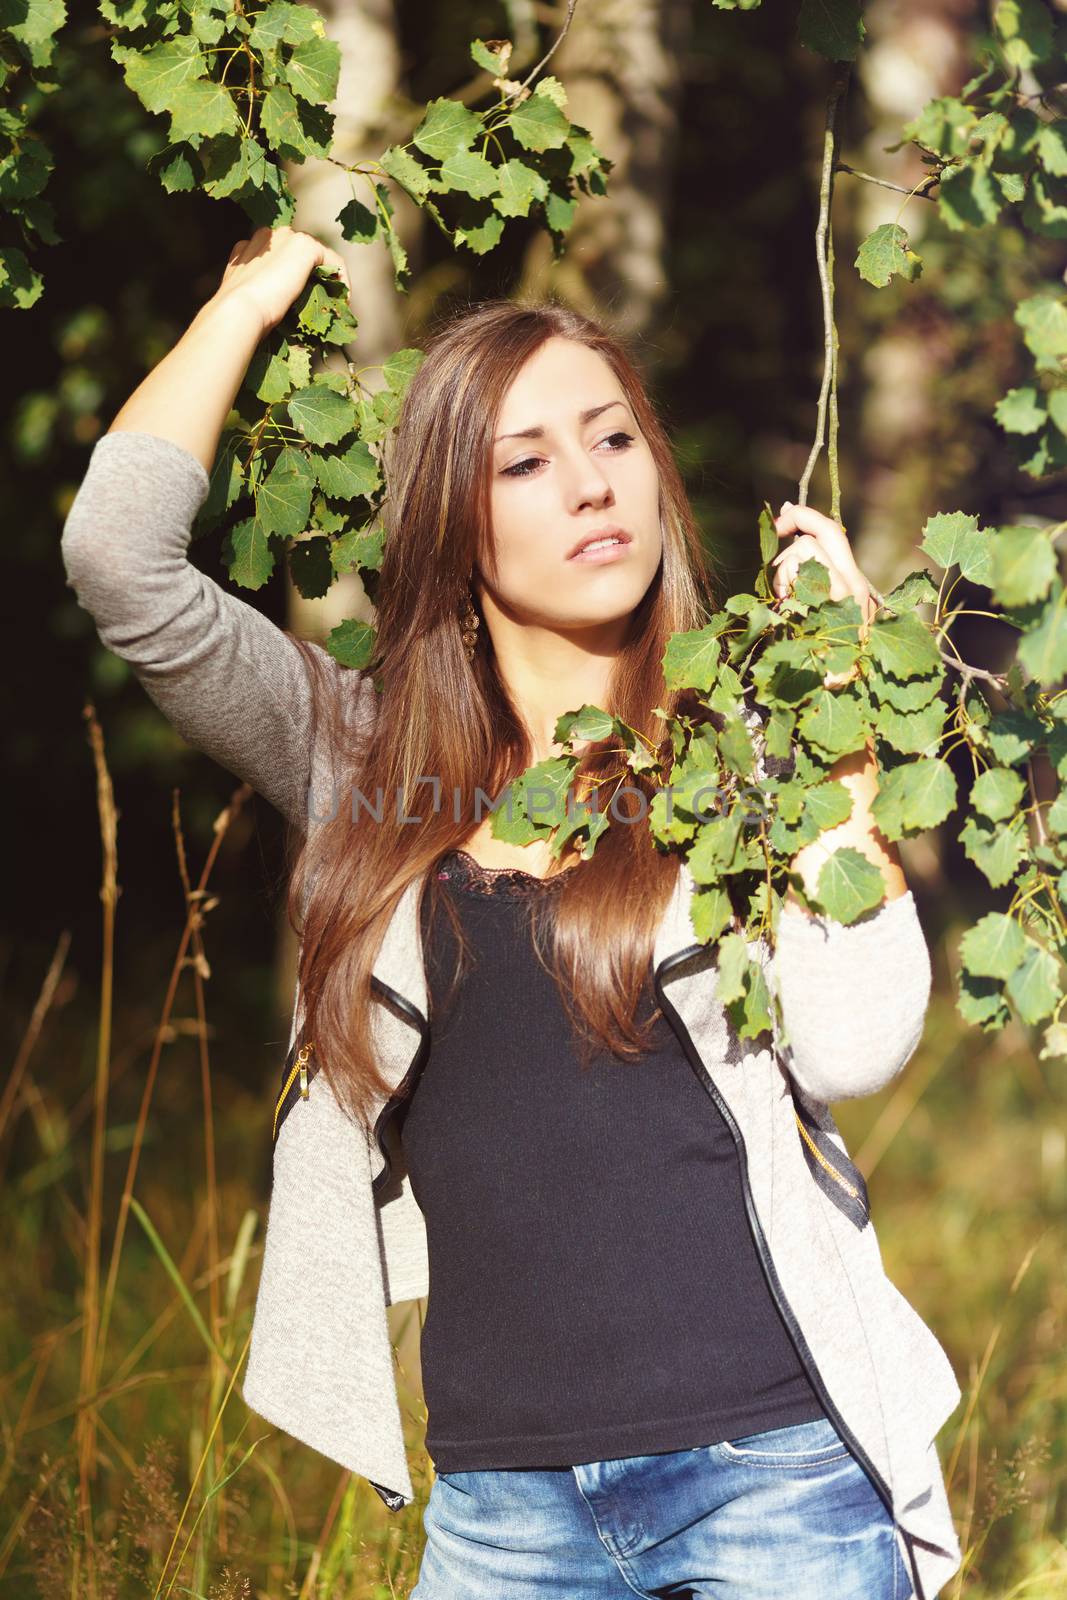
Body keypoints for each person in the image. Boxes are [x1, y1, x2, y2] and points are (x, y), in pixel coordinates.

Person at [60, 225, 963, 1600]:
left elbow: (854, 1050)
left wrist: (838, 753)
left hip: (779, 1482)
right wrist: (251, 300)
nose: (592, 487)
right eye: (526, 461)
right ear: (452, 519)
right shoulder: (366, 759)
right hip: (503, 1517)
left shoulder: (745, 760)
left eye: (612, 441)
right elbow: (120, 560)